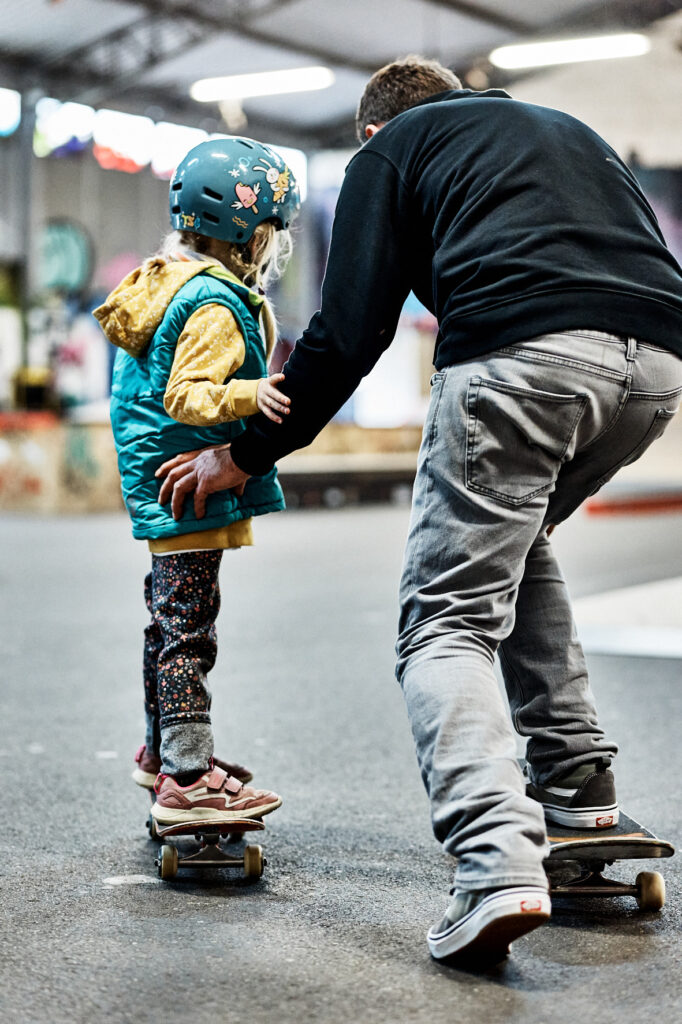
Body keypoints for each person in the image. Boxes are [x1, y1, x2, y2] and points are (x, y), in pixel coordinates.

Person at [157, 59, 682, 960]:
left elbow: (349, 331)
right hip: (659, 367)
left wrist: (245, 455)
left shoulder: (390, 151)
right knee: (514, 545)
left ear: (372, 129)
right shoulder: (561, 129)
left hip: (522, 358)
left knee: (444, 620)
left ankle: (494, 862)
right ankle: (581, 798)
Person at [94, 136, 300, 827]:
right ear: (251, 233)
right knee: (189, 634)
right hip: (187, 488)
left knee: (165, 627)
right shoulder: (213, 304)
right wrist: (252, 396)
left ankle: (160, 755)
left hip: (162, 482)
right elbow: (188, 395)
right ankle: (189, 776)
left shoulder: (170, 281)